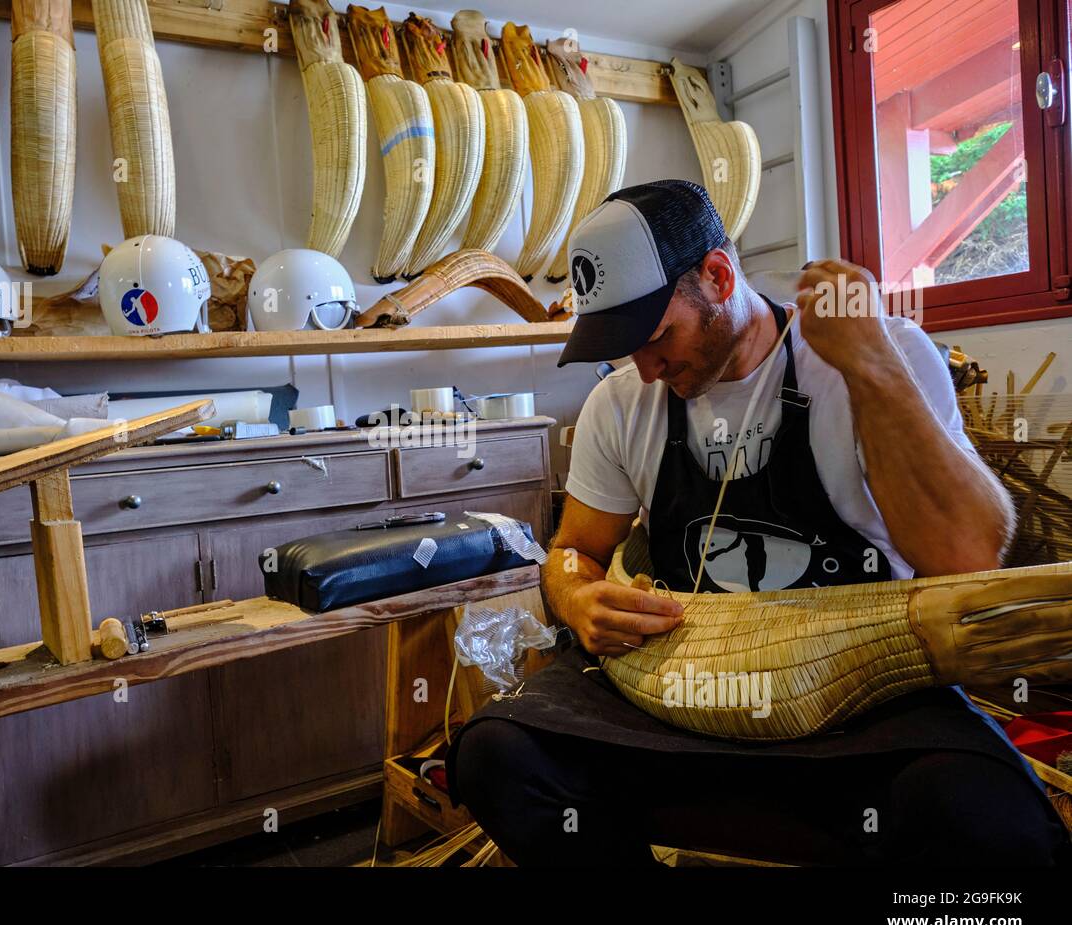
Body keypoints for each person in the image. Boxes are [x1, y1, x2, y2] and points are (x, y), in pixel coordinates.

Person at [445, 180, 1071, 867]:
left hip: (856, 711)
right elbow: (571, 552)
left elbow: (966, 556)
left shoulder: (881, 355)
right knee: (495, 754)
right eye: (624, 349)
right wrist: (577, 597)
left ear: (718, 276)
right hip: (679, 696)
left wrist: (870, 367)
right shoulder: (619, 405)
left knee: (989, 819)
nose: (646, 370)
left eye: (656, 338)